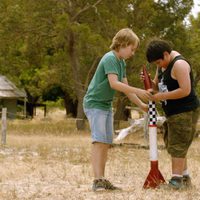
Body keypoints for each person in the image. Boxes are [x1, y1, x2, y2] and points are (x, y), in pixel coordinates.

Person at [83, 28, 152, 191]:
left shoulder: (121, 62)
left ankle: (102, 179)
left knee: (106, 142)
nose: (133, 53)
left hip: (105, 105)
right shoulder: (110, 58)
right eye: (132, 49)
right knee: (98, 141)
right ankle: (97, 180)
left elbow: (126, 88)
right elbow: (114, 84)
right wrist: (140, 91)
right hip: (95, 104)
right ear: (123, 44)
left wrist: (141, 105)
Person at [145, 39, 200, 189]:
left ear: (166, 54)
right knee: (174, 144)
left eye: (158, 62)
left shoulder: (179, 65)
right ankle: (185, 177)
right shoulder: (162, 65)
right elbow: (157, 86)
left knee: (178, 145)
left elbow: (185, 90)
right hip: (172, 112)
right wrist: (149, 82)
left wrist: (160, 97)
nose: (158, 66)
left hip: (185, 111)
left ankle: (176, 181)